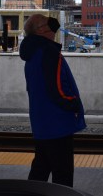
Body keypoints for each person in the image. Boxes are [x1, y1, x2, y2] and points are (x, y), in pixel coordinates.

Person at [19, 14, 86, 187]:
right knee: (62, 176)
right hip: (58, 123)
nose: (51, 23)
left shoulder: (33, 52)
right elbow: (57, 88)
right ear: (41, 30)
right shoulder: (48, 52)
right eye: (46, 21)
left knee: (40, 170)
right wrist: (73, 104)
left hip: (42, 121)